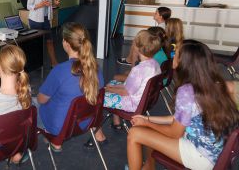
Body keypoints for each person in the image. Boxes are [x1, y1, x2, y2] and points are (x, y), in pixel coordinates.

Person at [127, 40, 239, 170]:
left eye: (176, 53)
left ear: (184, 62)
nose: (172, 55)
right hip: (214, 153)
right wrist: (147, 119)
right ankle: (147, 167)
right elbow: (179, 119)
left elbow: (174, 133)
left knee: (135, 134)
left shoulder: (186, 91)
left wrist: (146, 124)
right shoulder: (214, 83)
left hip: (200, 156)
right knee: (150, 131)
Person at [36, 22, 104, 151]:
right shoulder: (96, 68)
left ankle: (52, 140)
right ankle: (54, 140)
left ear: (66, 43)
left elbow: (41, 100)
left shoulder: (59, 71)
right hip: (86, 122)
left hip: (61, 127)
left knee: (32, 103)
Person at [93, 30, 161, 142]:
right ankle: (117, 122)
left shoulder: (138, 70)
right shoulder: (155, 64)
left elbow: (125, 92)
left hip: (131, 104)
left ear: (138, 47)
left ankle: (98, 133)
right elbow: (130, 87)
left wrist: (106, 89)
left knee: (96, 97)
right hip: (145, 102)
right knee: (115, 83)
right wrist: (111, 88)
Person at [27, 0, 60, 67]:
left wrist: (54, 4)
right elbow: (29, 6)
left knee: (50, 41)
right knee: (36, 43)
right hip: (35, 21)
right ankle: (34, 65)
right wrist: (39, 5)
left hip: (46, 20)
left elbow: (48, 5)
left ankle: (54, 63)